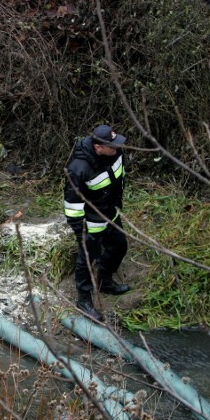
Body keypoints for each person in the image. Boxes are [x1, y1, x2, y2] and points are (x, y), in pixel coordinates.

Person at [63, 124, 131, 321]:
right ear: (98, 147)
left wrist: (117, 205)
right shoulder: (78, 169)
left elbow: (119, 181)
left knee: (120, 245)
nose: (117, 148)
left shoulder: (116, 154)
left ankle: (105, 281)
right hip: (91, 222)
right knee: (86, 259)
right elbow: (72, 206)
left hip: (112, 213)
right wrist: (80, 232)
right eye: (112, 146)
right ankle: (84, 300)